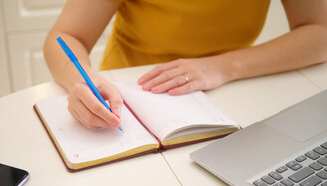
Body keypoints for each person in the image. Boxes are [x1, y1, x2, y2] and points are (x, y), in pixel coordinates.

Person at [44, 0, 327, 130]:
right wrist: (81, 81)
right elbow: (65, 36)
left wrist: (224, 66)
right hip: (131, 94)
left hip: (234, 91)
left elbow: (320, 31)